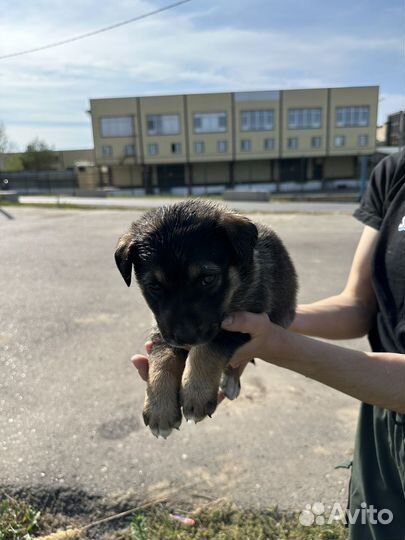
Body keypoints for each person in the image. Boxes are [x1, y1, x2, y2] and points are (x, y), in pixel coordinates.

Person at [132, 149, 405, 540]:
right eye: (155, 288)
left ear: (239, 257)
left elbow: (246, 321)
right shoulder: (394, 172)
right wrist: (267, 329)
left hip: (389, 383)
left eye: (206, 281)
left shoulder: (238, 246)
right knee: (375, 528)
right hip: (378, 411)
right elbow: (359, 305)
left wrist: (269, 342)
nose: (182, 319)